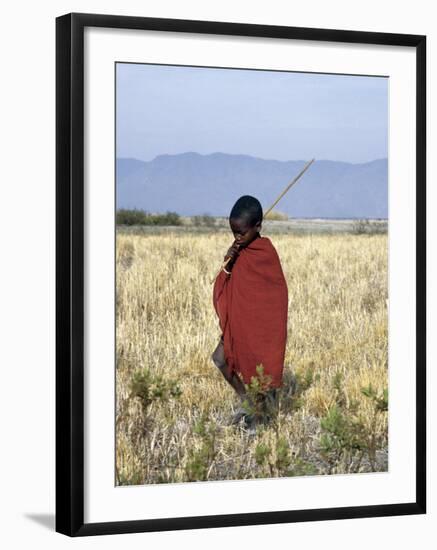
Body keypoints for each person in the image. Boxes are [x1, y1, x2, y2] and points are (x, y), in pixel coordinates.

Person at [212, 195, 288, 433]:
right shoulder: (238, 250)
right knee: (220, 360)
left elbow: (274, 295)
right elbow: (225, 281)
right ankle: (247, 402)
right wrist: (229, 257)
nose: (237, 237)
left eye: (242, 232)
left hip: (260, 328)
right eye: (233, 232)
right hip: (238, 324)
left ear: (258, 227)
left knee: (260, 373)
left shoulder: (265, 252)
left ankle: (258, 414)